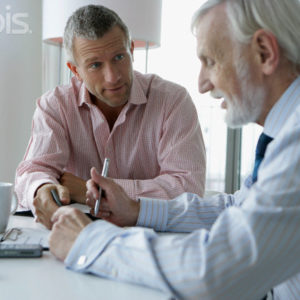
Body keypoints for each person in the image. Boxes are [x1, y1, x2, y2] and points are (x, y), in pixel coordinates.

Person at [49, 0, 300, 299]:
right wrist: (138, 210)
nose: (203, 83)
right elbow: (237, 208)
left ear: (264, 53)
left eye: (211, 61)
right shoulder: (284, 134)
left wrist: (90, 241)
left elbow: (214, 270)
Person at [14, 5, 206, 229]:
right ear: (75, 70)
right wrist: (42, 188)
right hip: (78, 235)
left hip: (152, 237)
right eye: (95, 65)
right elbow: (33, 171)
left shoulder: (172, 101)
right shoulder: (55, 105)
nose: (112, 76)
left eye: (119, 57)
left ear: (131, 50)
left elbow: (188, 189)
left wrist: (91, 189)